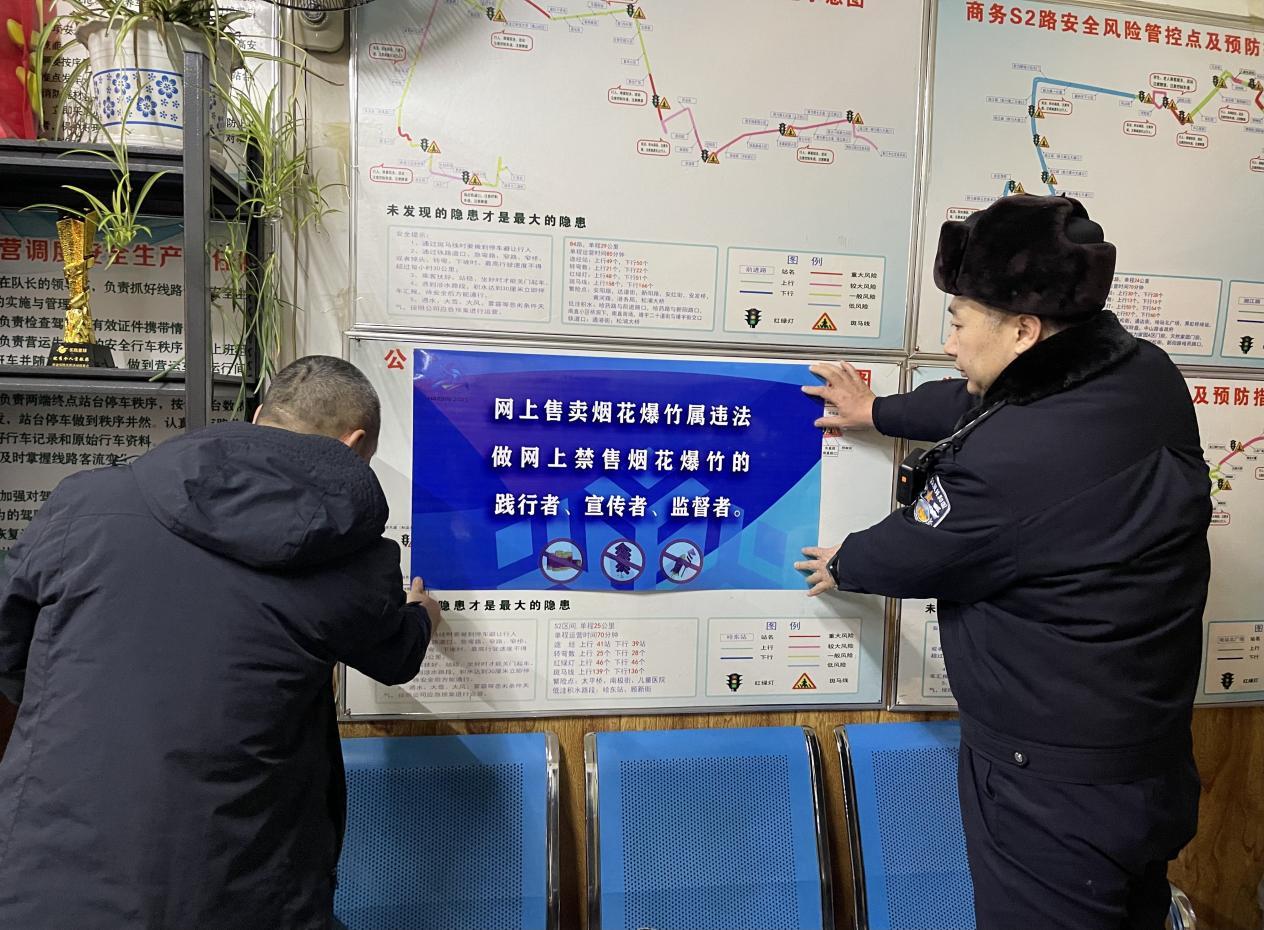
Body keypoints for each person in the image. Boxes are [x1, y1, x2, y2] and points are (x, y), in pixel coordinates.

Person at [798, 194, 1210, 930]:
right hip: (1150, 766)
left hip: (1050, 792)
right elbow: (983, 401)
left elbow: (914, 551)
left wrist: (846, 561)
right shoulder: (1144, 377)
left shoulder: (1010, 466)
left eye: (959, 323)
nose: (949, 343)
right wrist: (880, 412)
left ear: (1022, 329)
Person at [0, 355, 440, 930]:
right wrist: (423, 615)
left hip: (53, 874)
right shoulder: (352, 559)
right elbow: (395, 655)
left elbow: (10, 650)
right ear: (355, 443)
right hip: (238, 883)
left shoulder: (84, 501)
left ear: (259, 416)